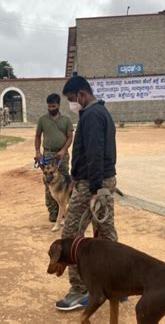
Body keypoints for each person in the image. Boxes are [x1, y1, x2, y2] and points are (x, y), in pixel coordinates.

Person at [55, 75, 119, 311]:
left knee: (71, 234)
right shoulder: (101, 112)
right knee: (105, 233)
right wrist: (75, 178)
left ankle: (80, 290)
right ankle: (116, 283)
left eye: (72, 99)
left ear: (82, 94)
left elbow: (94, 153)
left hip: (94, 183)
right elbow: (91, 153)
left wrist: (93, 188)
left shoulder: (91, 115)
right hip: (102, 180)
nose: (72, 104)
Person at [35, 93, 74, 222]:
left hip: (62, 155)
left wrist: (63, 150)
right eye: (49, 106)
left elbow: (70, 137)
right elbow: (37, 136)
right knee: (49, 183)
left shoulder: (66, 120)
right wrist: (37, 152)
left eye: (53, 106)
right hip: (48, 154)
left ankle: (65, 210)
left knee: (64, 183)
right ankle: (53, 211)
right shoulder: (42, 119)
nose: (51, 108)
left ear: (58, 105)